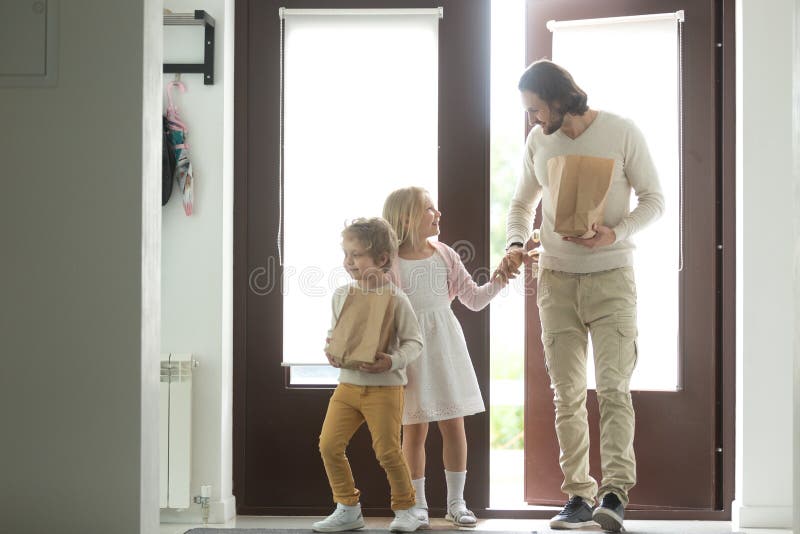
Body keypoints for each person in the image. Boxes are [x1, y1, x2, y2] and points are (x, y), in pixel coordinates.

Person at [495, 60, 665, 532]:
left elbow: (654, 199)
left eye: (534, 109)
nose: (530, 119)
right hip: (555, 281)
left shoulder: (621, 131)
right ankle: (578, 496)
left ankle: (614, 494)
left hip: (612, 277)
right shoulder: (538, 142)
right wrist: (514, 244)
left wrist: (615, 232)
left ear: (558, 100)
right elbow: (521, 205)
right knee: (566, 393)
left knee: (612, 388)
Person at [382, 187, 506, 528]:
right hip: (410, 351)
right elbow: (385, 312)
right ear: (407, 218)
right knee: (415, 429)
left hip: (446, 348)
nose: (438, 214)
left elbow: (475, 300)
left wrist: (501, 278)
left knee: (454, 424)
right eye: (429, 209)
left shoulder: (445, 254)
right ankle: (418, 504)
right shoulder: (390, 262)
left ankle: (456, 502)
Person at [314, 217, 426, 533]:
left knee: (388, 451)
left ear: (382, 259)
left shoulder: (396, 299)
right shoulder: (341, 295)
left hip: (385, 389)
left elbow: (414, 342)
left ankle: (407, 509)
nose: (348, 262)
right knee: (328, 445)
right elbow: (336, 333)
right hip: (348, 385)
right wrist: (332, 350)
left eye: (357, 255)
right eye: (346, 254)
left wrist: (391, 361)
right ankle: (347, 507)